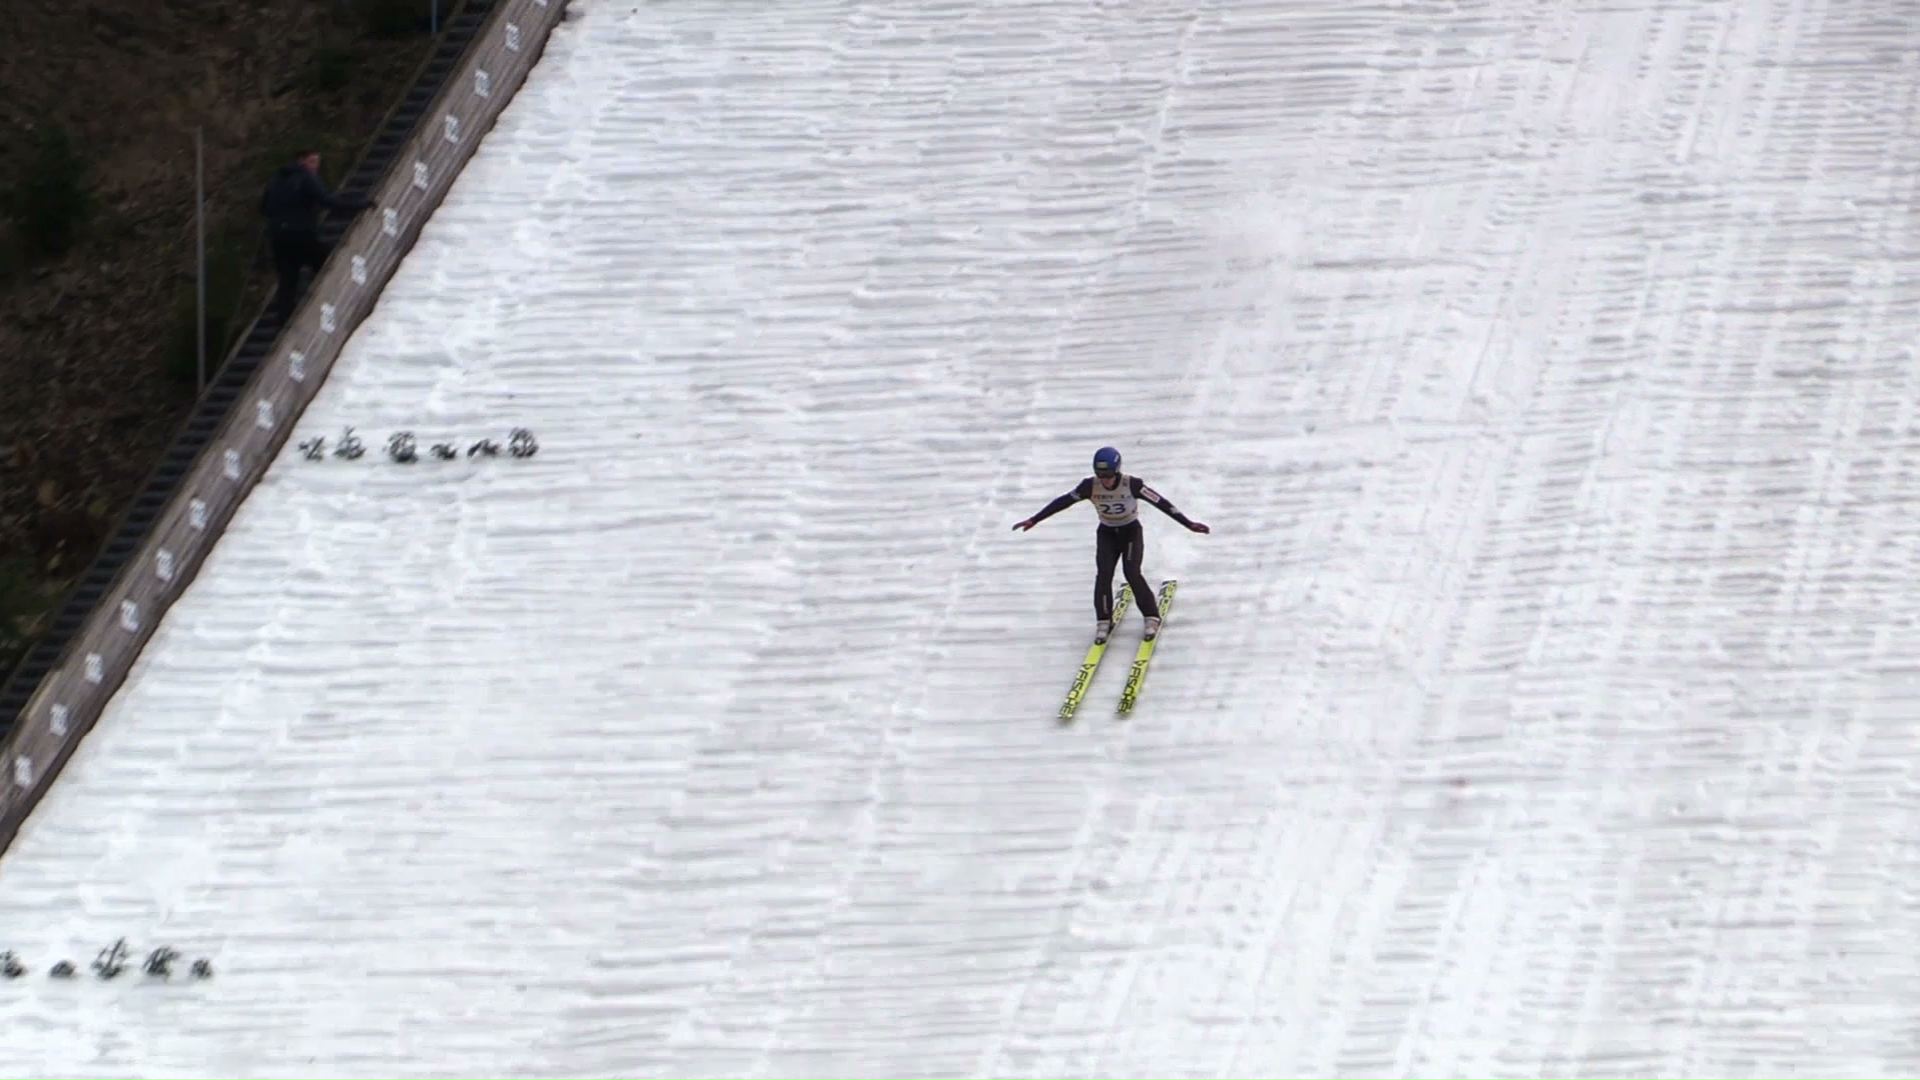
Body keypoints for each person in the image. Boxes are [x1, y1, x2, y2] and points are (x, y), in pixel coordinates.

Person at [1012, 446, 1209, 641]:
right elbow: (1063, 502)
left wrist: (1188, 523)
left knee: (1131, 572)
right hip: (1107, 533)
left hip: (1130, 531)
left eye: (1108, 475)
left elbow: (1161, 503)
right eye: (1100, 475)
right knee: (1104, 574)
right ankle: (1103, 620)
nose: (1105, 480)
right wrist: (1034, 519)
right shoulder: (1089, 486)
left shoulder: (1132, 484)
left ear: (1117, 471)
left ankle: (1151, 616)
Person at [259, 150, 374, 322]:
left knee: (288, 278)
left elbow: (263, 207)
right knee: (325, 262)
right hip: (301, 234)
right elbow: (327, 201)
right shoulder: (305, 177)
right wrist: (359, 204)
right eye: (312, 161)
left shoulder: (277, 179)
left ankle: (284, 320)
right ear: (301, 161)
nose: (315, 166)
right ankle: (327, 301)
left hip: (278, 237)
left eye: (316, 162)